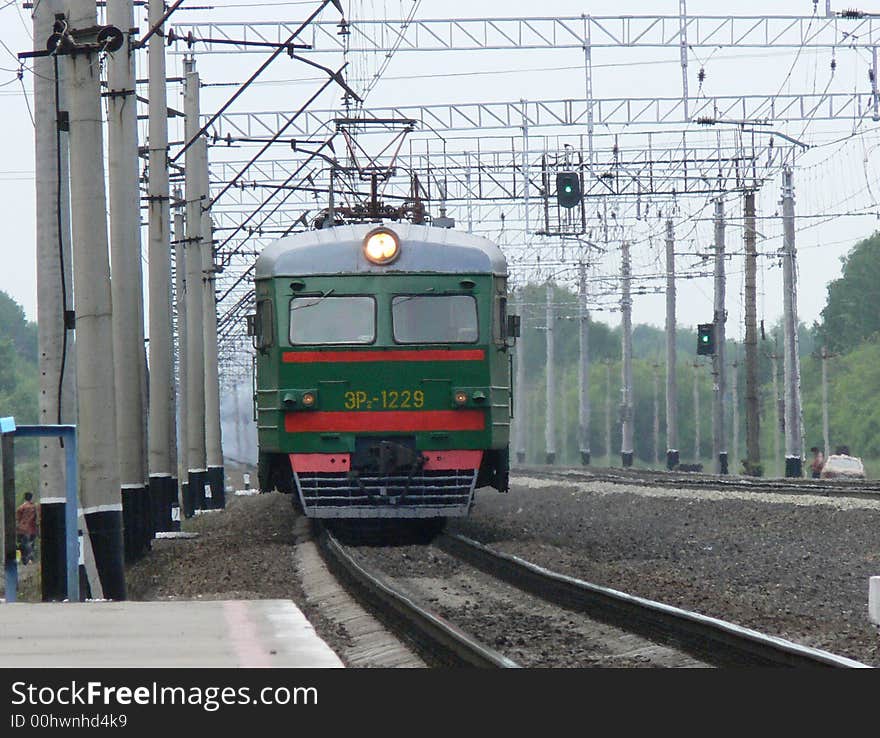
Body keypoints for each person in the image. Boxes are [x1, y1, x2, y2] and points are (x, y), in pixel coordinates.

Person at [15, 492, 38, 565]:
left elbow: (18, 519)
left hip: (21, 530)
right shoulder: (33, 507)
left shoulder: (20, 507)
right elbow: (36, 518)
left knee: (22, 545)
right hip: (31, 529)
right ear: (31, 498)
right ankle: (29, 560)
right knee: (30, 545)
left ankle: (23, 560)